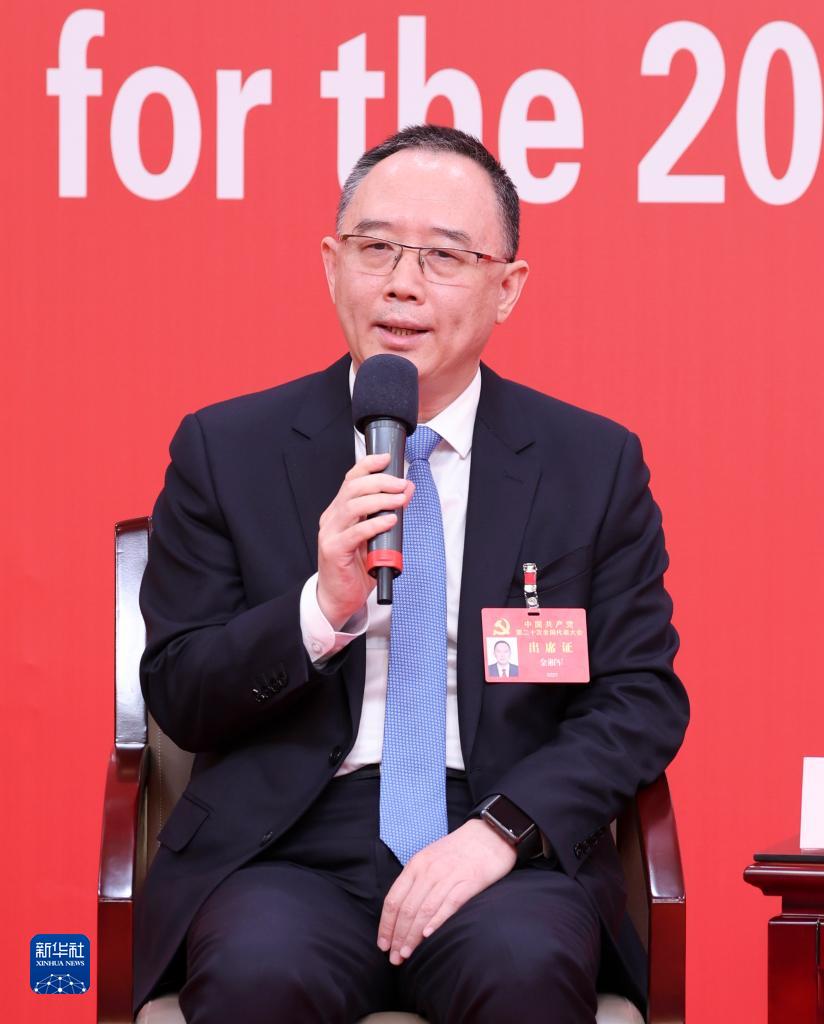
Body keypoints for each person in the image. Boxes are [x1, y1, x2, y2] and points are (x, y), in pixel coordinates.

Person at [134, 124, 689, 1024]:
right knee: (254, 975)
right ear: (331, 266)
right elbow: (179, 692)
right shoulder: (226, 449)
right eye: (377, 248)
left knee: (524, 969)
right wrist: (321, 608)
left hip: (501, 840)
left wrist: (502, 832)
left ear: (508, 287)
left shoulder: (592, 465)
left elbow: (640, 699)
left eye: (445, 256)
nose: (402, 283)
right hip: (287, 847)